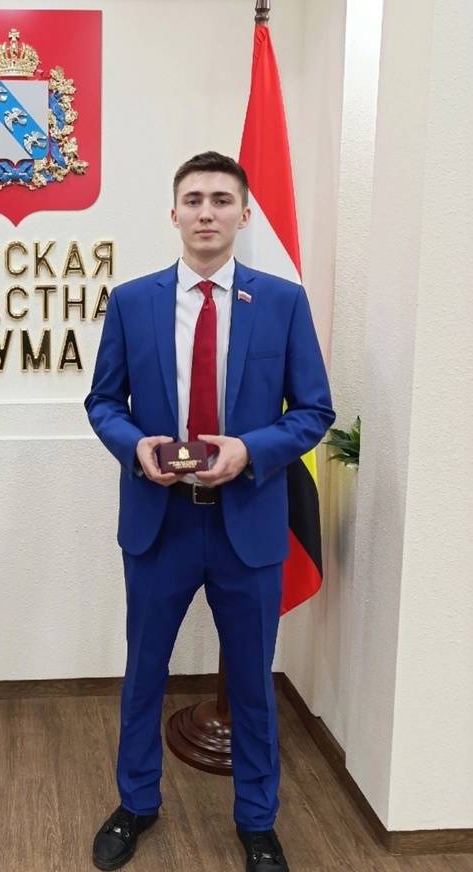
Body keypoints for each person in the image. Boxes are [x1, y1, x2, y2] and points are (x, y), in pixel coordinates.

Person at [84, 151, 334, 872]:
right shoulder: (132, 301)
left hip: (247, 525)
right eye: (192, 199)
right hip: (158, 524)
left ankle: (257, 821)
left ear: (243, 214)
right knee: (144, 673)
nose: (205, 212)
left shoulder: (281, 302)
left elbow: (313, 410)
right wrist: (135, 447)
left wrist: (249, 450)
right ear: (173, 214)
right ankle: (136, 803)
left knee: (252, 683)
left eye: (221, 200)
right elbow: (103, 402)